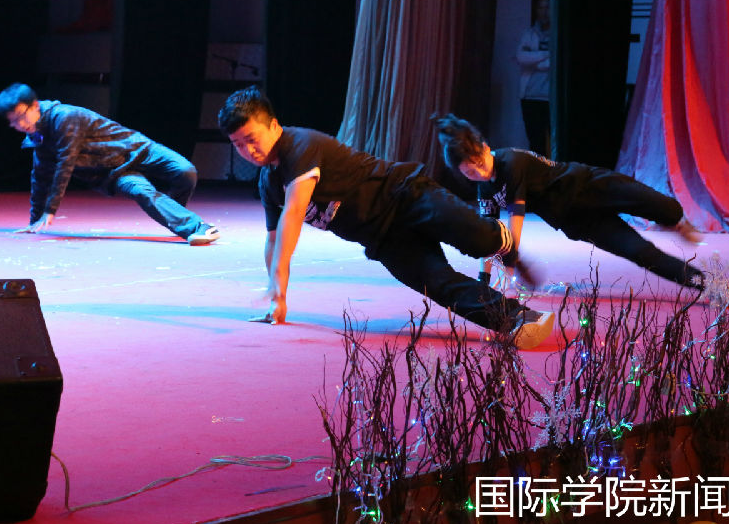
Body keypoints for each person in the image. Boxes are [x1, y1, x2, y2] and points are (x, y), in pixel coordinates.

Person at [217, 86, 555, 349]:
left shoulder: (299, 145)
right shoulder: (268, 184)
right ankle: (518, 318)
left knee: (477, 239)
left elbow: (293, 215)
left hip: (406, 195)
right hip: (384, 239)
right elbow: (273, 238)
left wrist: (278, 280)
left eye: (252, 139)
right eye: (238, 145)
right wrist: (277, 295)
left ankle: (500, 239)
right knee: (439, 283)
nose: (249, 151)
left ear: (273, 125)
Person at [433, 113, 704, 291]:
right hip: (578, 221)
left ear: (485, 148)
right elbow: (490, 235)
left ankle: (677, 222)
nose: (479, 174)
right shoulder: (485, 191)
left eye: (479, 164)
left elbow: (515, 222)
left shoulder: (511, 163)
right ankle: (705, 283)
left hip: (589, 185)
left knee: (661, 205)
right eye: (470, 173)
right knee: (640, 252)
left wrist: (511, 262)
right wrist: (484, 280)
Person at [0, 83, 219, 245]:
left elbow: (66, 162)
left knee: (185, 171)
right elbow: (41, 176)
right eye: (13, 122)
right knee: (143, 192)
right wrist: (36, 219)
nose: (19, 124)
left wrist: (50, 211)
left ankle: (175, 216)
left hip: (135, 147)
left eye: (21, 116)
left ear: (35, 106)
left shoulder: (63, 117)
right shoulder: (38, 138)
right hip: (113, 172)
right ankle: (196, 227)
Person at [515, 0, 551, 157]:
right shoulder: (529, 34)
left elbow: (554, 63)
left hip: (551, 99)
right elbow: (521, 57)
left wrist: (534, 57)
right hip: (530, 97)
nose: (544, 12)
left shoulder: (559, 34)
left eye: (547, 7)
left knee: (556, 144)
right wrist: (547, 54)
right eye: (541, 8)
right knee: (536, 144)